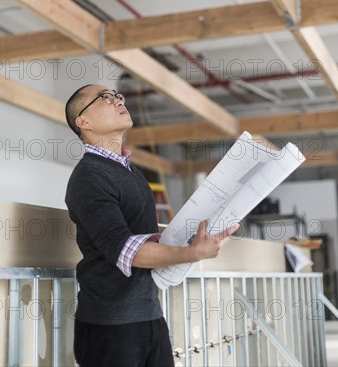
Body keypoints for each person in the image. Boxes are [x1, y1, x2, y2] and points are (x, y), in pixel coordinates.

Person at [65, 84, 239, 367]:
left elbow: (141, 239)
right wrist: (193, 253)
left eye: (117, 95)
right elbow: (125, 250)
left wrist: (192, 241)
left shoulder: (129, 172)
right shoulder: (89, 176)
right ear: (83, 122)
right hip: (110, 325)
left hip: (147, 313)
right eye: (104, 98)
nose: (118, 100)